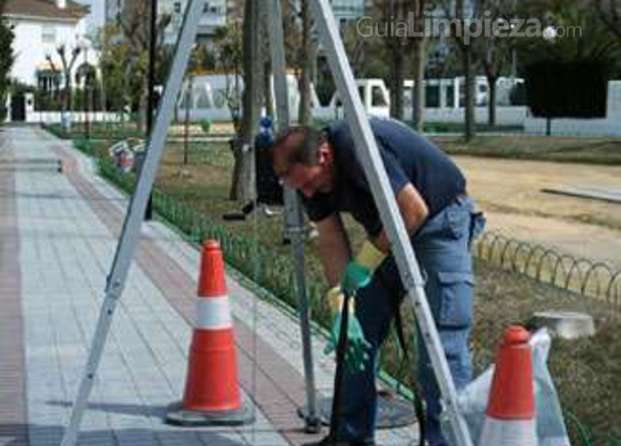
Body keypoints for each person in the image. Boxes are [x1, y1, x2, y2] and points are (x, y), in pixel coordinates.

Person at [270, 118, 485, 446]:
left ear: (324, 155)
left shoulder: (357, 145)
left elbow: (413, 210)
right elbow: (330, 239)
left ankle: (449, 441)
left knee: (441, 345)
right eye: (302, 189)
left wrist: (365, 265)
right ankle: (350, 438)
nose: (309, 193)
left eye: (310, 184)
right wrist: (341, 303)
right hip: (389, 233)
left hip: (440, 221)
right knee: (355, 333)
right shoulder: (307, 180)